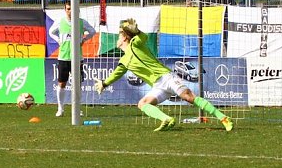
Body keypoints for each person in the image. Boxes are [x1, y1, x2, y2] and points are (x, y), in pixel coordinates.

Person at [93, 19, 234, 132]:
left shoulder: (136, 44)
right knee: (142, 104)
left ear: (125, 38)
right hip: (157, 86)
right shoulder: (123, 61)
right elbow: (116, 75)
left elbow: (143, 37)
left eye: (119, 36)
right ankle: (167, 119)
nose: (116, 39)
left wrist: (136, 31)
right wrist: (104, 83)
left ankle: (223, 118)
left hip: (166, 77)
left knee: (188, 97)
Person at [48, 0, 95, 117]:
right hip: (63, 57)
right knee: (61, 84)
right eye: (68, 9)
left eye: (72, 9)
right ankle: (60, 108)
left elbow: (92, 31)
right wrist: (58, 40)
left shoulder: (81, 22)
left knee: (77, 85)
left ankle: (77, 109)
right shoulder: (60, 21)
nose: (70, 11)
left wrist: (84, 39)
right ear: (65, 10)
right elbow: (51, 32)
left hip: (77, 58)